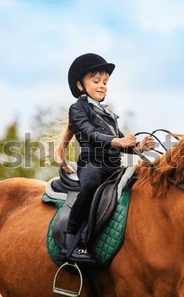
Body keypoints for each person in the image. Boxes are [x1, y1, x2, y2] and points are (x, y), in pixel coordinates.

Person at [56, 53, 155, 264]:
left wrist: (139, 146)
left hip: (113, 166)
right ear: (80, 85)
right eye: (96, 81)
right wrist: (117, 142)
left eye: (105, 82)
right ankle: (71, 239)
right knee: (91, 184)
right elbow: (89, 133)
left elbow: (121, 143)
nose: (102, 86)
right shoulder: (78, 108)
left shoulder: (108, 114)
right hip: (92, 164)